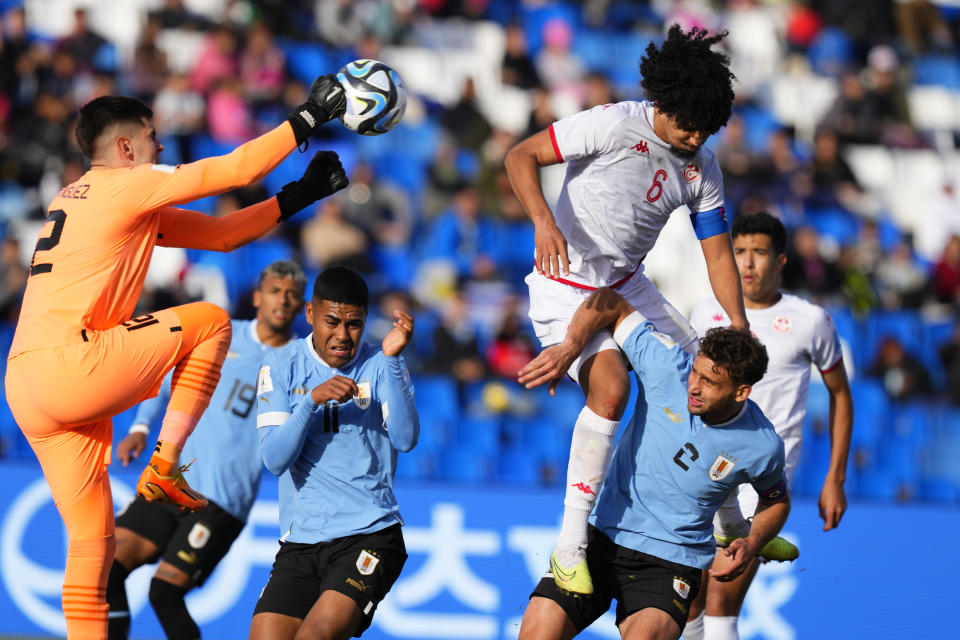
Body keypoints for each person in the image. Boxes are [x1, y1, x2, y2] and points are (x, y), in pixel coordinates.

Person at [3, 75, 347, 639]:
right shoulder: (127, 185)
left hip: (26, 385)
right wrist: (307, 116)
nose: (161, 148)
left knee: (93, 550)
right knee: (212, 321)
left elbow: (220, 235)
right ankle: (165, 463)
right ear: (125, 148)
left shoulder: (80, 198)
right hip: (73, 365)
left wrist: (299, 195)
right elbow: (234, 170)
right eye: (152, 137)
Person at [504, 24, 747, 595]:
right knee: (610, 389)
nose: (693, 139)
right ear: (663, 104)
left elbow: (718, 254)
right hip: (564, 284)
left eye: (705, 131)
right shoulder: (614, 123)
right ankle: (569, 546)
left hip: (627, 286)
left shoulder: (703, 167)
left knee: (708, 378)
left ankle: (728, 522)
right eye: (687, 126)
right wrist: (543, 220)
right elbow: (521, 155)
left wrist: (737, 326)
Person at [516, 287, 789, 640]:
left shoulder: (762, 445)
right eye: (697, 372)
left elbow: (777, 501)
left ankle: (732, 526)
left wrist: (752, 543)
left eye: (709, 382)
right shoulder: (668, 367)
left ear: (741, 392)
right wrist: (570, 347)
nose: (694, 386)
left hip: (670, 564)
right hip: (600, 538)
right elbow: (609, 302)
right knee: (537, 630)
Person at [105, 260, 306, 640]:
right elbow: (169, 381)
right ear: (258, 296)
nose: (283, 300)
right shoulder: (222, 334)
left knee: (164, 593)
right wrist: (141, 428)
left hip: (221, 501)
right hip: (171, 481)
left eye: (292, 295)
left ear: (300, 307)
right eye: (276, 291)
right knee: (107, 570)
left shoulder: (299, 363)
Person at [685, 212, 853, 640]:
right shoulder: (707, 311)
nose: (747, 263)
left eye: (758, 252)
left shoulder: (810, 321)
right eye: (739, 252)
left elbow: (840, 394)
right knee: (688, 599)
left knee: (722, 594)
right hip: (703, 467)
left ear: (779, 260)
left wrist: (835, 478)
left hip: (762, 478)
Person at [249, 266, 418, 640]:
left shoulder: (381, 364)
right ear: (310, 313)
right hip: (301, 540)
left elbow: (405, 439)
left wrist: (391, 360)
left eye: (354, 324)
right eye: (331, 322)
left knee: (317, 635)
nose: (342, 335)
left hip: (370, 533)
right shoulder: (281, 365)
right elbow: (274, 460)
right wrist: (310, 402)